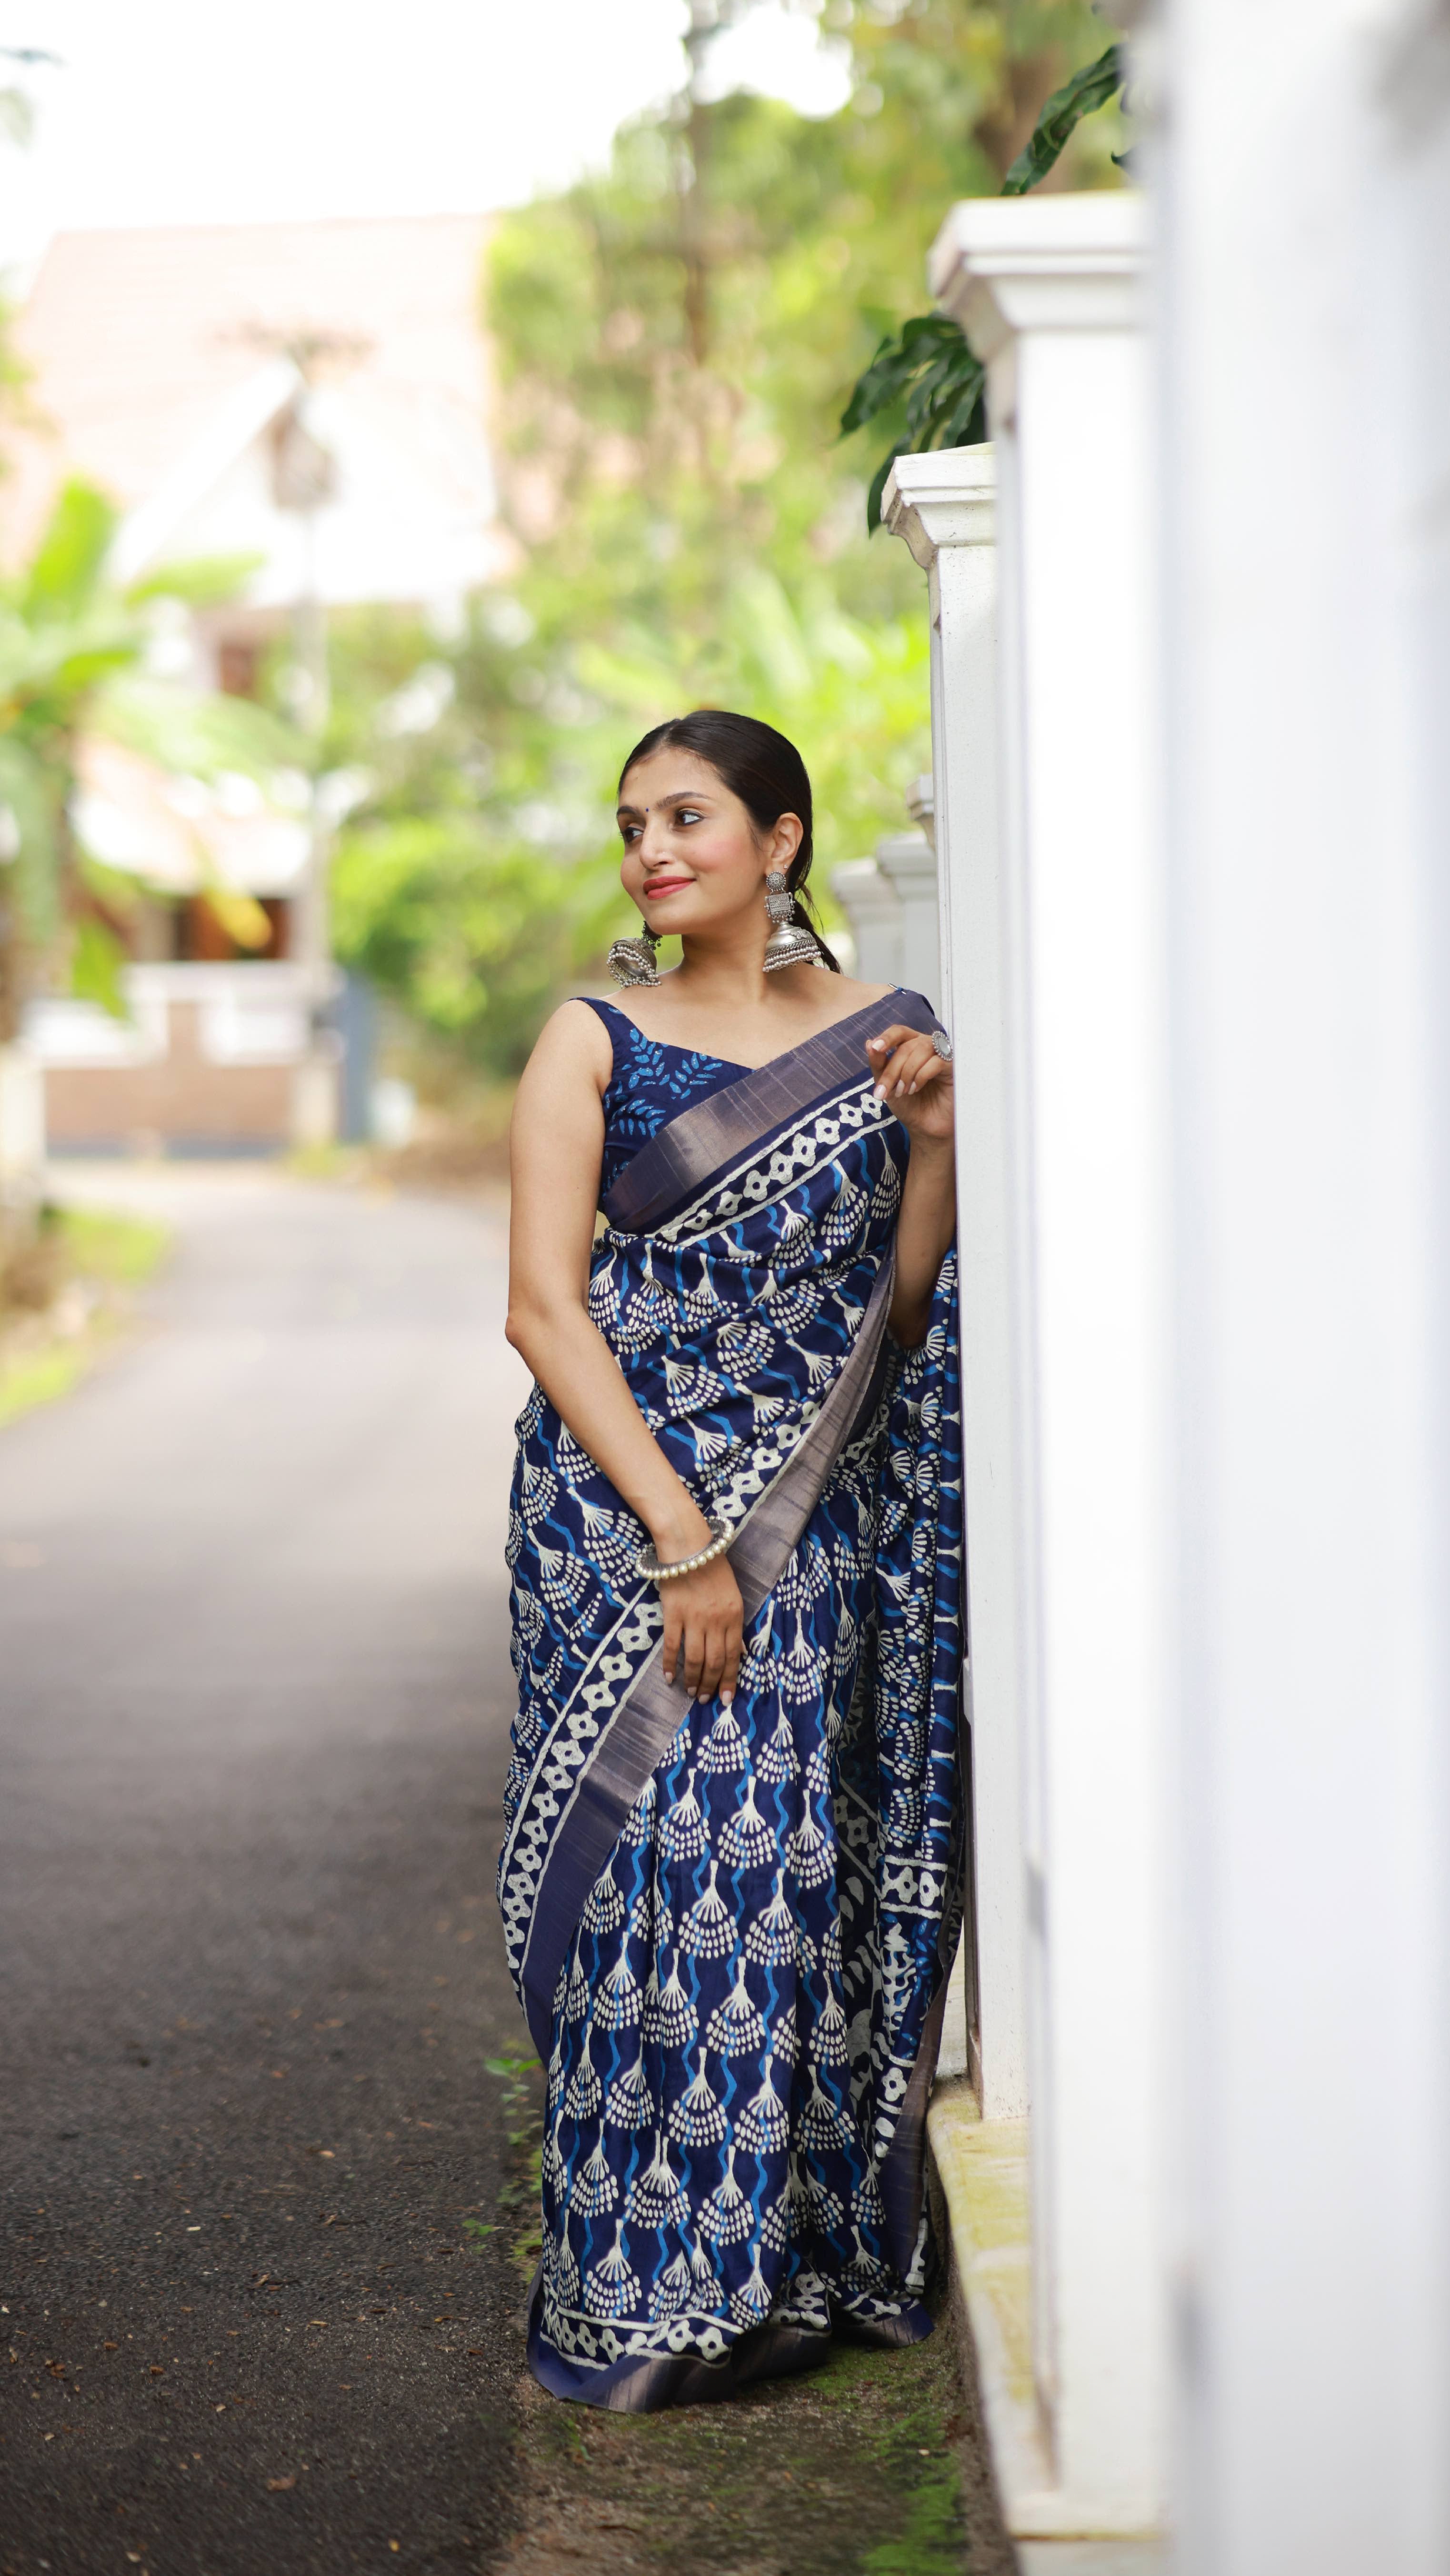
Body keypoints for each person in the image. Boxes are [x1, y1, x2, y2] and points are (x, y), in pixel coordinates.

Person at [498, 707, 962, 2410]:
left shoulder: (889, 1039)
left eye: (687, 817)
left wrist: (928, 1145)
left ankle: (772, 2267)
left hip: (807, 1521)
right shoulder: (592, 1036)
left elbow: (897, 1315)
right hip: (619, 1530)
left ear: (781, 841)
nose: (650, 851)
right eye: (633, 824)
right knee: (641, 1885)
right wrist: (681, 1539)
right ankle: (638, 2300)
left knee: (770, 1884)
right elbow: (545, 1308)